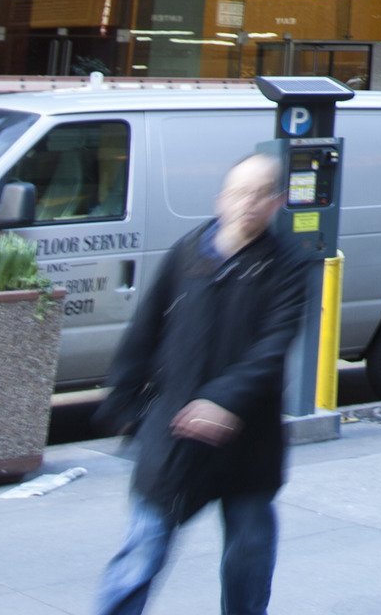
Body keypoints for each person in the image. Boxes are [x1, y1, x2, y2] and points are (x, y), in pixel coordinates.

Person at [92, 150, 308, 615]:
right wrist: (128, 410)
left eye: (260, 194)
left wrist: (222, 401)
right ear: (221, 200)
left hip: (249, 443)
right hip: (176, 438)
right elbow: (144, 332)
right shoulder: (187, 253)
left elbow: (273, 348)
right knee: (142, 552)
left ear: (276, 202)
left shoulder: (287, 264)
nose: (249, 203)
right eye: (239, 193)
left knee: (248, 555)